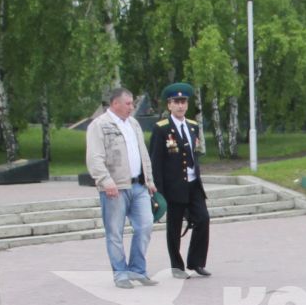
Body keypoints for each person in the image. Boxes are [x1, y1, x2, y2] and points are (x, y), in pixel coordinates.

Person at [83, 85, 158, 287]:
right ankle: (120, 273)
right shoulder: (99, 125)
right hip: (114, 188)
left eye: (132, 103)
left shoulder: (133, 123)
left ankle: (137, 269)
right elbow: (94, 158)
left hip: (138, 186)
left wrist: (149, 180)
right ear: (115, 103)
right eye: (128, 103)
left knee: (145, 226)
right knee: (115, 232)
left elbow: (143, 154)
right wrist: (105, 180)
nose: (131, 107)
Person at [148, 82, 211, 278]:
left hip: (193, 184)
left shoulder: (192, 126)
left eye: (183, 102)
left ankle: (196, 262)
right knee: (174, 227)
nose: (181, 106)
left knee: (203, 219)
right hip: (173, 186)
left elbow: (194, 154)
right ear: (169, 105)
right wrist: (157, 189)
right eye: (176, 102)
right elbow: (155, 160)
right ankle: (177, 266)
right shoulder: (162, 129)